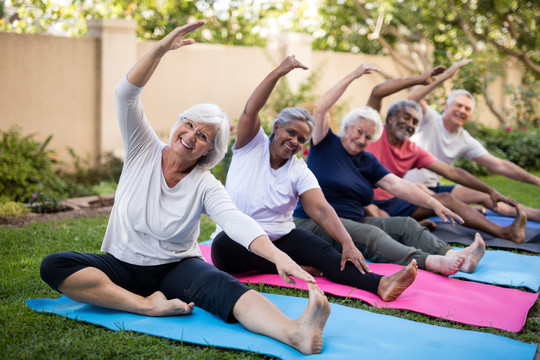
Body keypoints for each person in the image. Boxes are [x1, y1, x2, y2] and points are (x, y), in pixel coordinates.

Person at [38, 22, 332, 355]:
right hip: (121, 264)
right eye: (189, 124)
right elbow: (125, 94)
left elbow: (236, 221)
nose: (191, 136)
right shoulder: (142, 148)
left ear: (211, 149)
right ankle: (146, 305)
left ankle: (294, 332)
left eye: (204, 135)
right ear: (179, 123)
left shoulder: (205, 184)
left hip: (178, 268)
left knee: (224, 286)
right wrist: (161, 49)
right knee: (55, 265)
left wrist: (278, 256)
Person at [211, 56, 417, 302]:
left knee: (326, 252)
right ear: (276, 127)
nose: (295, 142)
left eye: (301, 139)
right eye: (291, 132)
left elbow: (320, 209)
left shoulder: (299, 170)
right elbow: (251, 109)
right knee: (221, 248)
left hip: (280, 237)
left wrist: (347, 242)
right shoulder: (250, 145)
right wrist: (279, 72)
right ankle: (290, 265)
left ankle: (381, 284)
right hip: (237, 241)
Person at [293, 63, 485, 276]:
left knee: (406, 225)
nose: (362, 139)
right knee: (372, 234)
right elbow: (321, 107)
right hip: (314, 224)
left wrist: (433, 203)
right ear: (347, 127)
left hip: (354, 222)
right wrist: (354, 75)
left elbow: (397, 184)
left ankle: (454, 256)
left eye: (368, 137)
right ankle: (431, 261)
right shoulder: (325, 144)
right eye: (359, 131)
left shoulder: (367, 161)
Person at [364, 69, 527, 243]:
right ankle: (404, 226)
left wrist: (489, 190)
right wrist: (419, 79)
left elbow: (452, 172)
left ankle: (505, 232)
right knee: (371, 210)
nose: (410, 124)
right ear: (389, 118)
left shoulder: (412, 149)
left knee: (445, 199)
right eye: (406, 118)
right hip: (364, 200)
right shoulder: (373, 131)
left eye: (414, 122)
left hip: (394, 201)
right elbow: (376, 93)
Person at [404, 60, 540, 222]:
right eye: (458, 105)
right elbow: (411, 99)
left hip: (434, 190)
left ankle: (534, 215)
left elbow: (499, 165)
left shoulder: (464, 139)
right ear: (446, 107)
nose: (462, 111)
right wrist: (446, 76)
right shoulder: (429, 119)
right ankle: (461, 210)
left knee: (484, 194)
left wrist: (536, 180)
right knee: (443, 200)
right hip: (408, 188)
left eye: (467, 109)